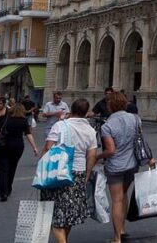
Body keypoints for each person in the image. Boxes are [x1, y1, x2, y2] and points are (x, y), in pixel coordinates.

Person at [98, 92, 155, 243]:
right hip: (132, 165)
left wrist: (97, 156)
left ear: (110, 105)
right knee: (124, 194)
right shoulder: (136, 119)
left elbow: (110, 151)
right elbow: (140, 141)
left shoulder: (107, 126)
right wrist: (149, 158)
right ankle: (122, 229)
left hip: (116, 166)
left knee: (116, 200)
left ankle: (117, 238)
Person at [40, 99, 97, 243]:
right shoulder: (90, 130)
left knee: (54, 214)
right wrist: (87, 174)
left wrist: (42, 167)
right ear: (86, 112)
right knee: (69, 213)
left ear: (71, 109)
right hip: (78, 172)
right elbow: (92, 155)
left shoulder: (59, 125)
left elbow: (47, 147)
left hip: (57, 172)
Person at [0, 103, 37, 201]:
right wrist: (34, 147)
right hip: (17, 146)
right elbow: (28, 134)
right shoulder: (23, 121)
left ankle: (3, 193)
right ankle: (8, 188)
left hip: (4, 146)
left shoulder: (6, 119)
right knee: (12, 168)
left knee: (3, 170)